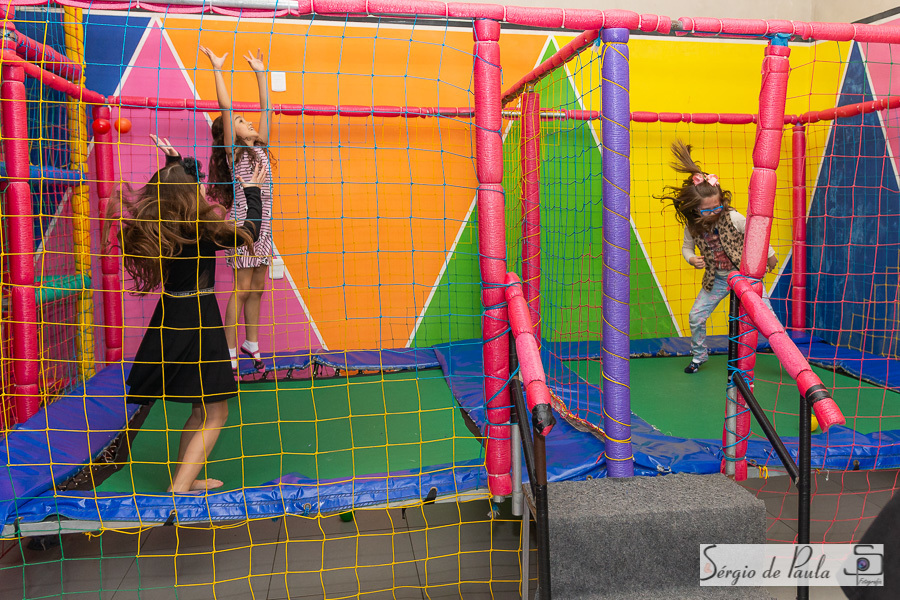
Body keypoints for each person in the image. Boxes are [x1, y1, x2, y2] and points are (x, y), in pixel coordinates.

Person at [118, 134, 265, 493]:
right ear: (188, 195)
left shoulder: (167, 223)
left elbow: (177, 192)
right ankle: (179, 489)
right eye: (195, 184)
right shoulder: (202, 229)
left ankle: (187, 478)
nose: (201, 189)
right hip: (198, 319)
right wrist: (253, 191)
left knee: (200, 410)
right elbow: (249, 232)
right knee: (217, 413)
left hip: (172, 313)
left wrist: (175, 163)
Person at [657, 140, 777, 374]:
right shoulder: (692, 226)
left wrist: (770, 255)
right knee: (695, 316)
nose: (713, 212)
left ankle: (783, 350)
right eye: (707, 210)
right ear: (694, 210)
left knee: (766, 318)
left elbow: (757, 234)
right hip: (718, 279)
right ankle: (699, 356)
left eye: (717, 207)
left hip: (744, 276)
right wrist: (691, 259)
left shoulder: (733, 217)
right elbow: (687, 249)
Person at [202, 45, 274, 374]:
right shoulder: (235, 155)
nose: (249, 123)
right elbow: (226, 107)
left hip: (265, 231)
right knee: (241, 289)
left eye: (247, 121)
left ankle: (252, 344)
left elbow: (267, 107)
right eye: (241, 122)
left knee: (257, 288)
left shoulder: (261, 150)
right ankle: (229, 353)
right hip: (244, 230)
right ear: (230, 133)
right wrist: (217, 68)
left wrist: (261, 74)